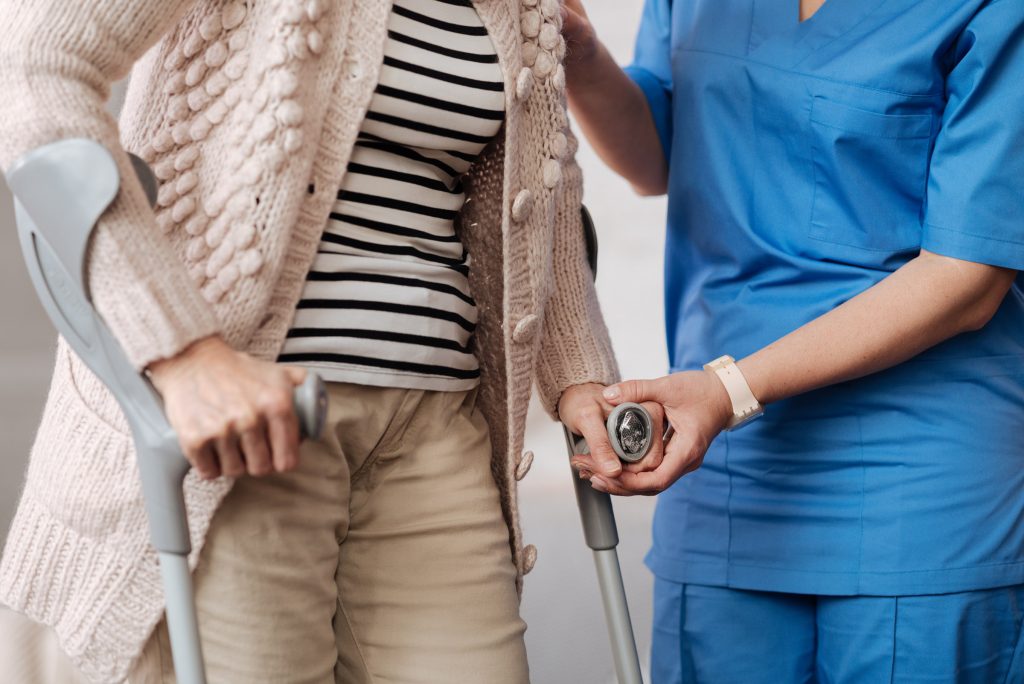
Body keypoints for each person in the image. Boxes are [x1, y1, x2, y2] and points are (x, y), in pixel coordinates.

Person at [0, 0, 633, 681]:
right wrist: (184, 354)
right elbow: (35, 66)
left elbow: (546, 182)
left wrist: (581, 378)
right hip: (251, 433)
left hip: (436, 430)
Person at [562, 0, 1024, 681]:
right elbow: (655, 155)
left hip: (915, 491)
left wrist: (729, 389)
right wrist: (581, 55)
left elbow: (968, 275)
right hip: (719, 471)